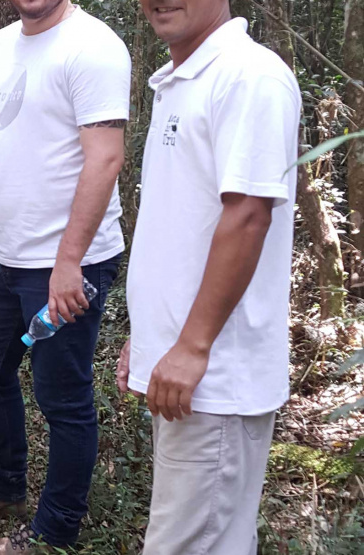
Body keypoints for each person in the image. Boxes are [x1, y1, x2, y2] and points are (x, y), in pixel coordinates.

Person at [0, 0, 131, 552]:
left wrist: (69, 261)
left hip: (67, 263)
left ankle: (54, 532)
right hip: (5, 255)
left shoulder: (93, 45)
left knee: (61, 396)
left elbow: (105, 158)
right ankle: (3, 490)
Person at [115, 1, 301, 553]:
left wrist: (194, 346)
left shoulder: (249, 76)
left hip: (216, 380)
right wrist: (150, 339)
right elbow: (181, 229)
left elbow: (248, 217)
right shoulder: (181, 81)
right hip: (186, 375)